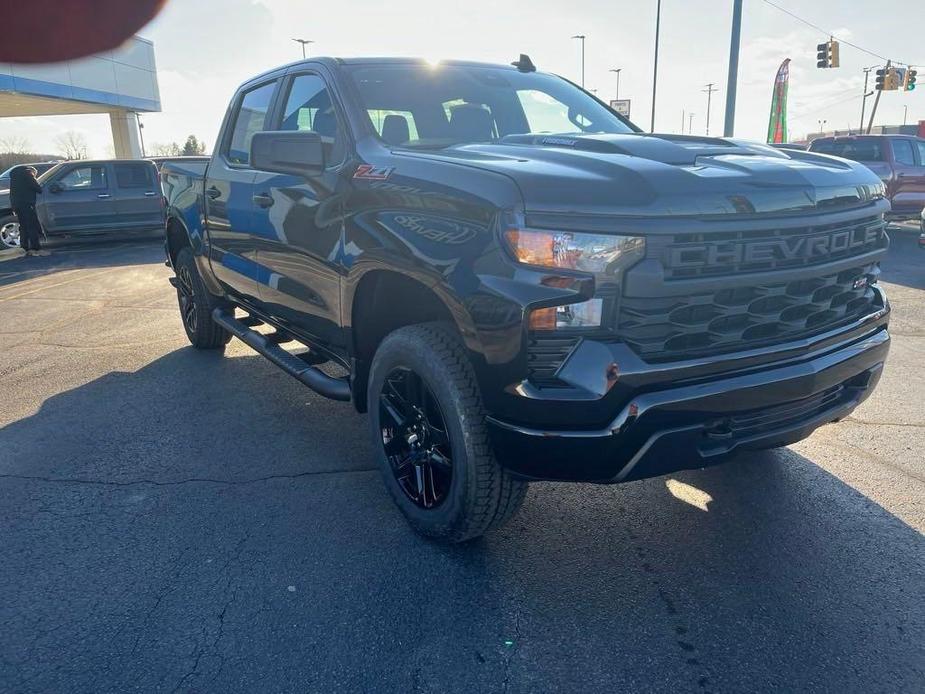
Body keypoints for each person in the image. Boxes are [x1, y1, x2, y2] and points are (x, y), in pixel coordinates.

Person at [10, 165, 48, 256]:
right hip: (27, 204)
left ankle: (24, 246)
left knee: (23, 226)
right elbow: (38, 189)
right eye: (35, 175)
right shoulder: (28, 174)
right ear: (32, 172)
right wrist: (35, 180)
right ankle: (35, 247)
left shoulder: (14, 177)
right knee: (32, 225)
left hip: (17, 205)